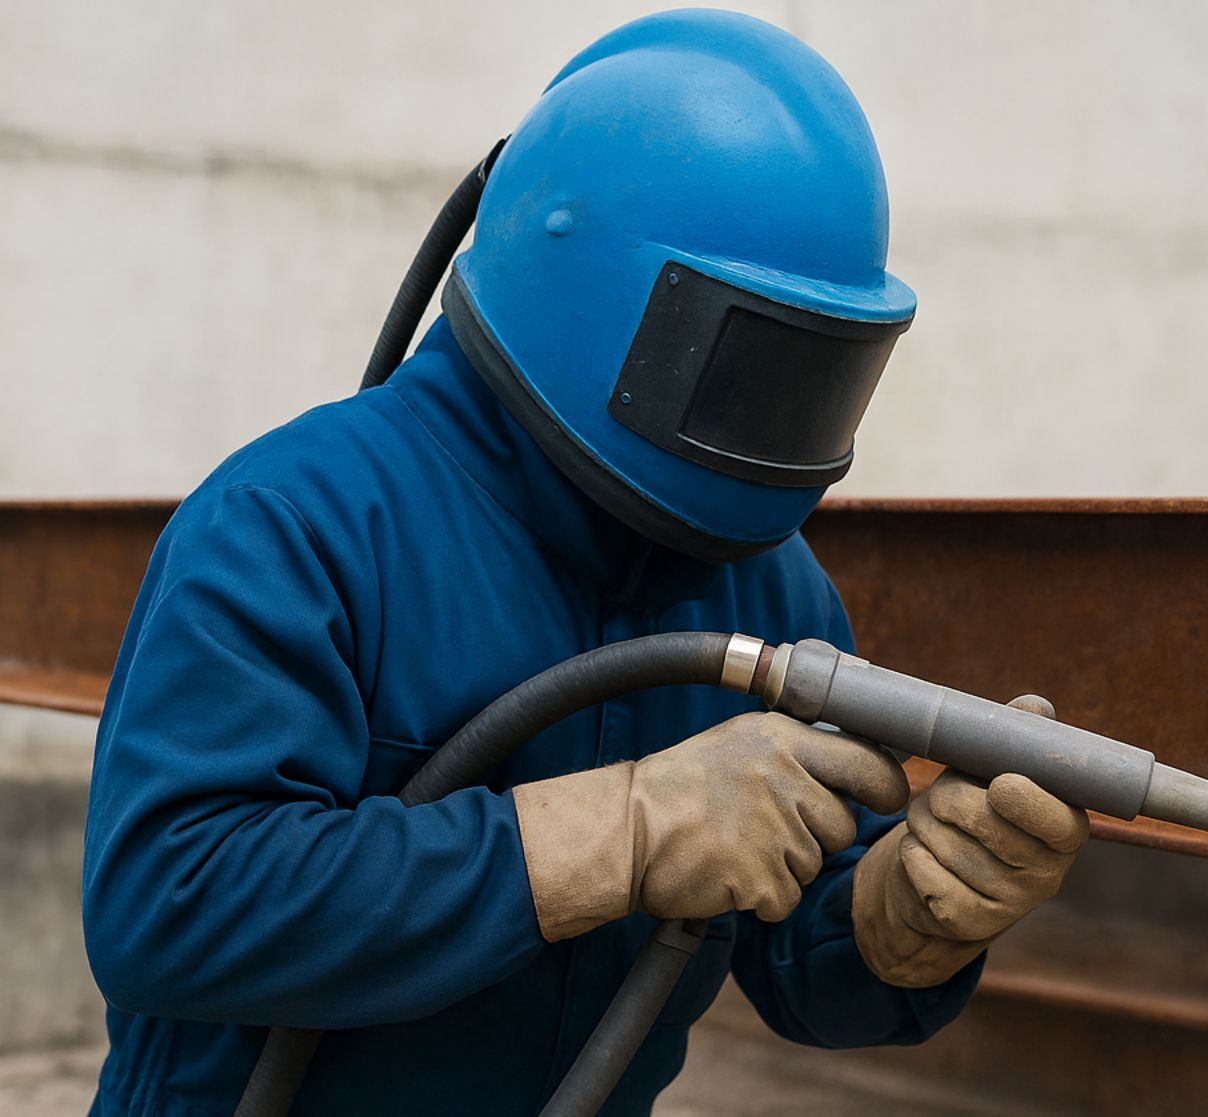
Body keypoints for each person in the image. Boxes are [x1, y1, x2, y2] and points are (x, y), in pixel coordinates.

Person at [79, 11, 1087, 1115]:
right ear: (598, 287)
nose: (768, 424)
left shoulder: (772, 590)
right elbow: (168, 902)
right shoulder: (294, 522)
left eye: (810, 378)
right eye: (750, 369)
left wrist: (902, 922)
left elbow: (801, 964)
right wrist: (621, 830)